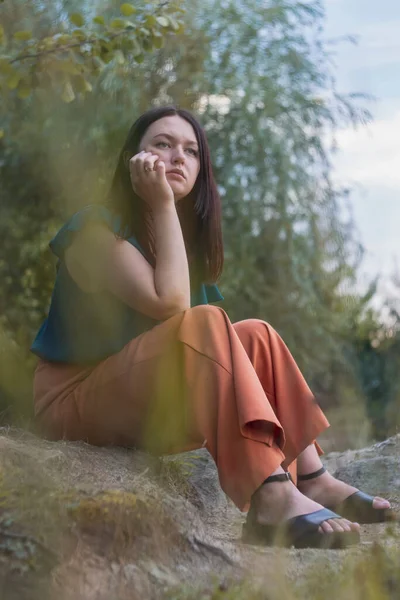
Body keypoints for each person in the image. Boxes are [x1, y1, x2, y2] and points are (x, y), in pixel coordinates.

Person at [31, 105, 394, 549]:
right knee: (203, 322)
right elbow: (172, 307)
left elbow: (206, 347)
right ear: (133, 160)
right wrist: (163, 202)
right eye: (162, 145)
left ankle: (311, 476)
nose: (178, 158)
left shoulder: (174, 247)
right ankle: (270, 497)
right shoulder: (92, 229)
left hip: (140, 399)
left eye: (190, 151)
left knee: (256, 335)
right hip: (75, 401)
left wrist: (164, 212)